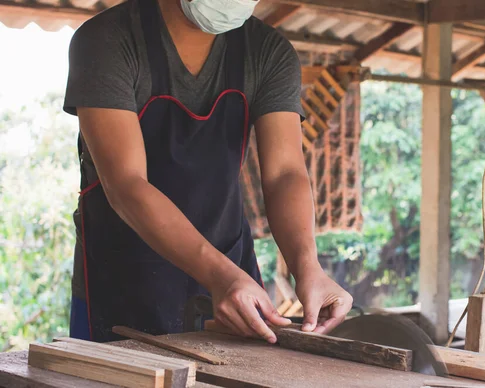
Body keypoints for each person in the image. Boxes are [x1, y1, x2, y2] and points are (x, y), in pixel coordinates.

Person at [63, 0, 352, 343]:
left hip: (231, 269)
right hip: (124, 276)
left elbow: (285, 174)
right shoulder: (108, 39)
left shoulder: (267, 51)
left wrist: (308, 267)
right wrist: (221, 277)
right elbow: (126, 184)